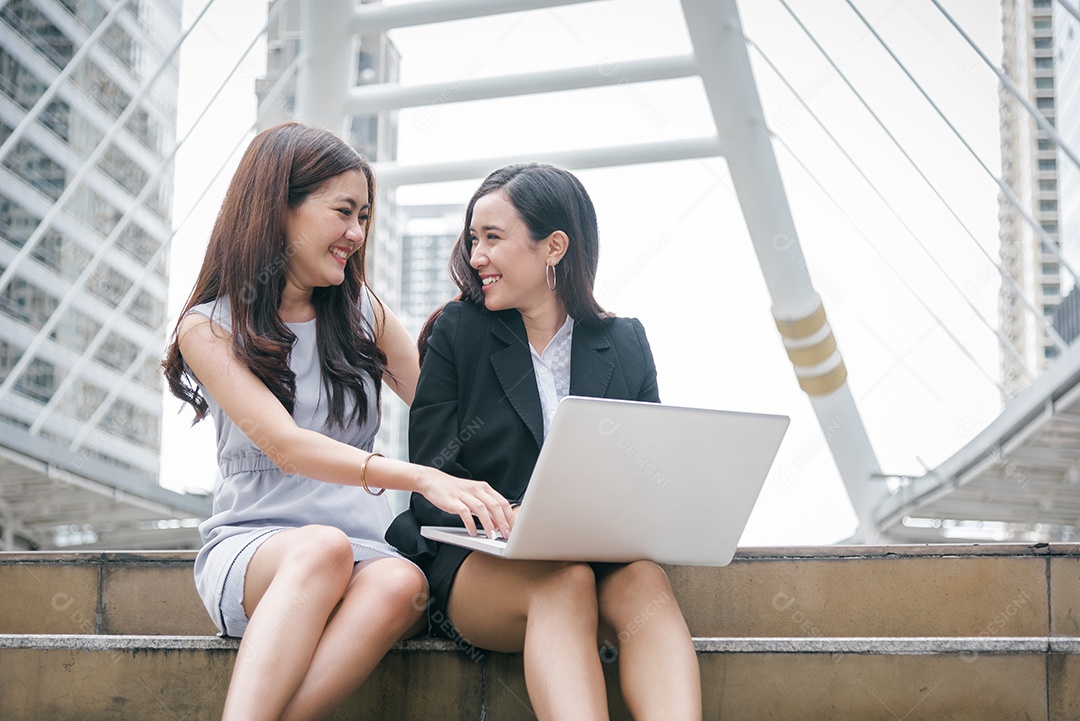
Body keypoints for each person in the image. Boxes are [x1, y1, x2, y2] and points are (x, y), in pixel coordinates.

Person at [162, 122, 513, 721]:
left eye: (365, 217)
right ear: (280, 208)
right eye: (344, 212)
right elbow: (289, 447)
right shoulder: (208, 326)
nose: (357, 234)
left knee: (402, 583)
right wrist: (421, 478)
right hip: (258, 548)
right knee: (320, 548)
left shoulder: (362, 313)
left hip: (364, 549)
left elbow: (444, 401)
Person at [386, 163, 701, 720]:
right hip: (481, 563)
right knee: (565, 581)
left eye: (493, 238)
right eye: (473, 239)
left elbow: (648, 476)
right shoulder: (459, 333)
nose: (476, 256)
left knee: (645, 582)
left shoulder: (623, 342)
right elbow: (430, 484)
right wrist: (509, 514)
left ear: (553, 246)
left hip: (597, 557)